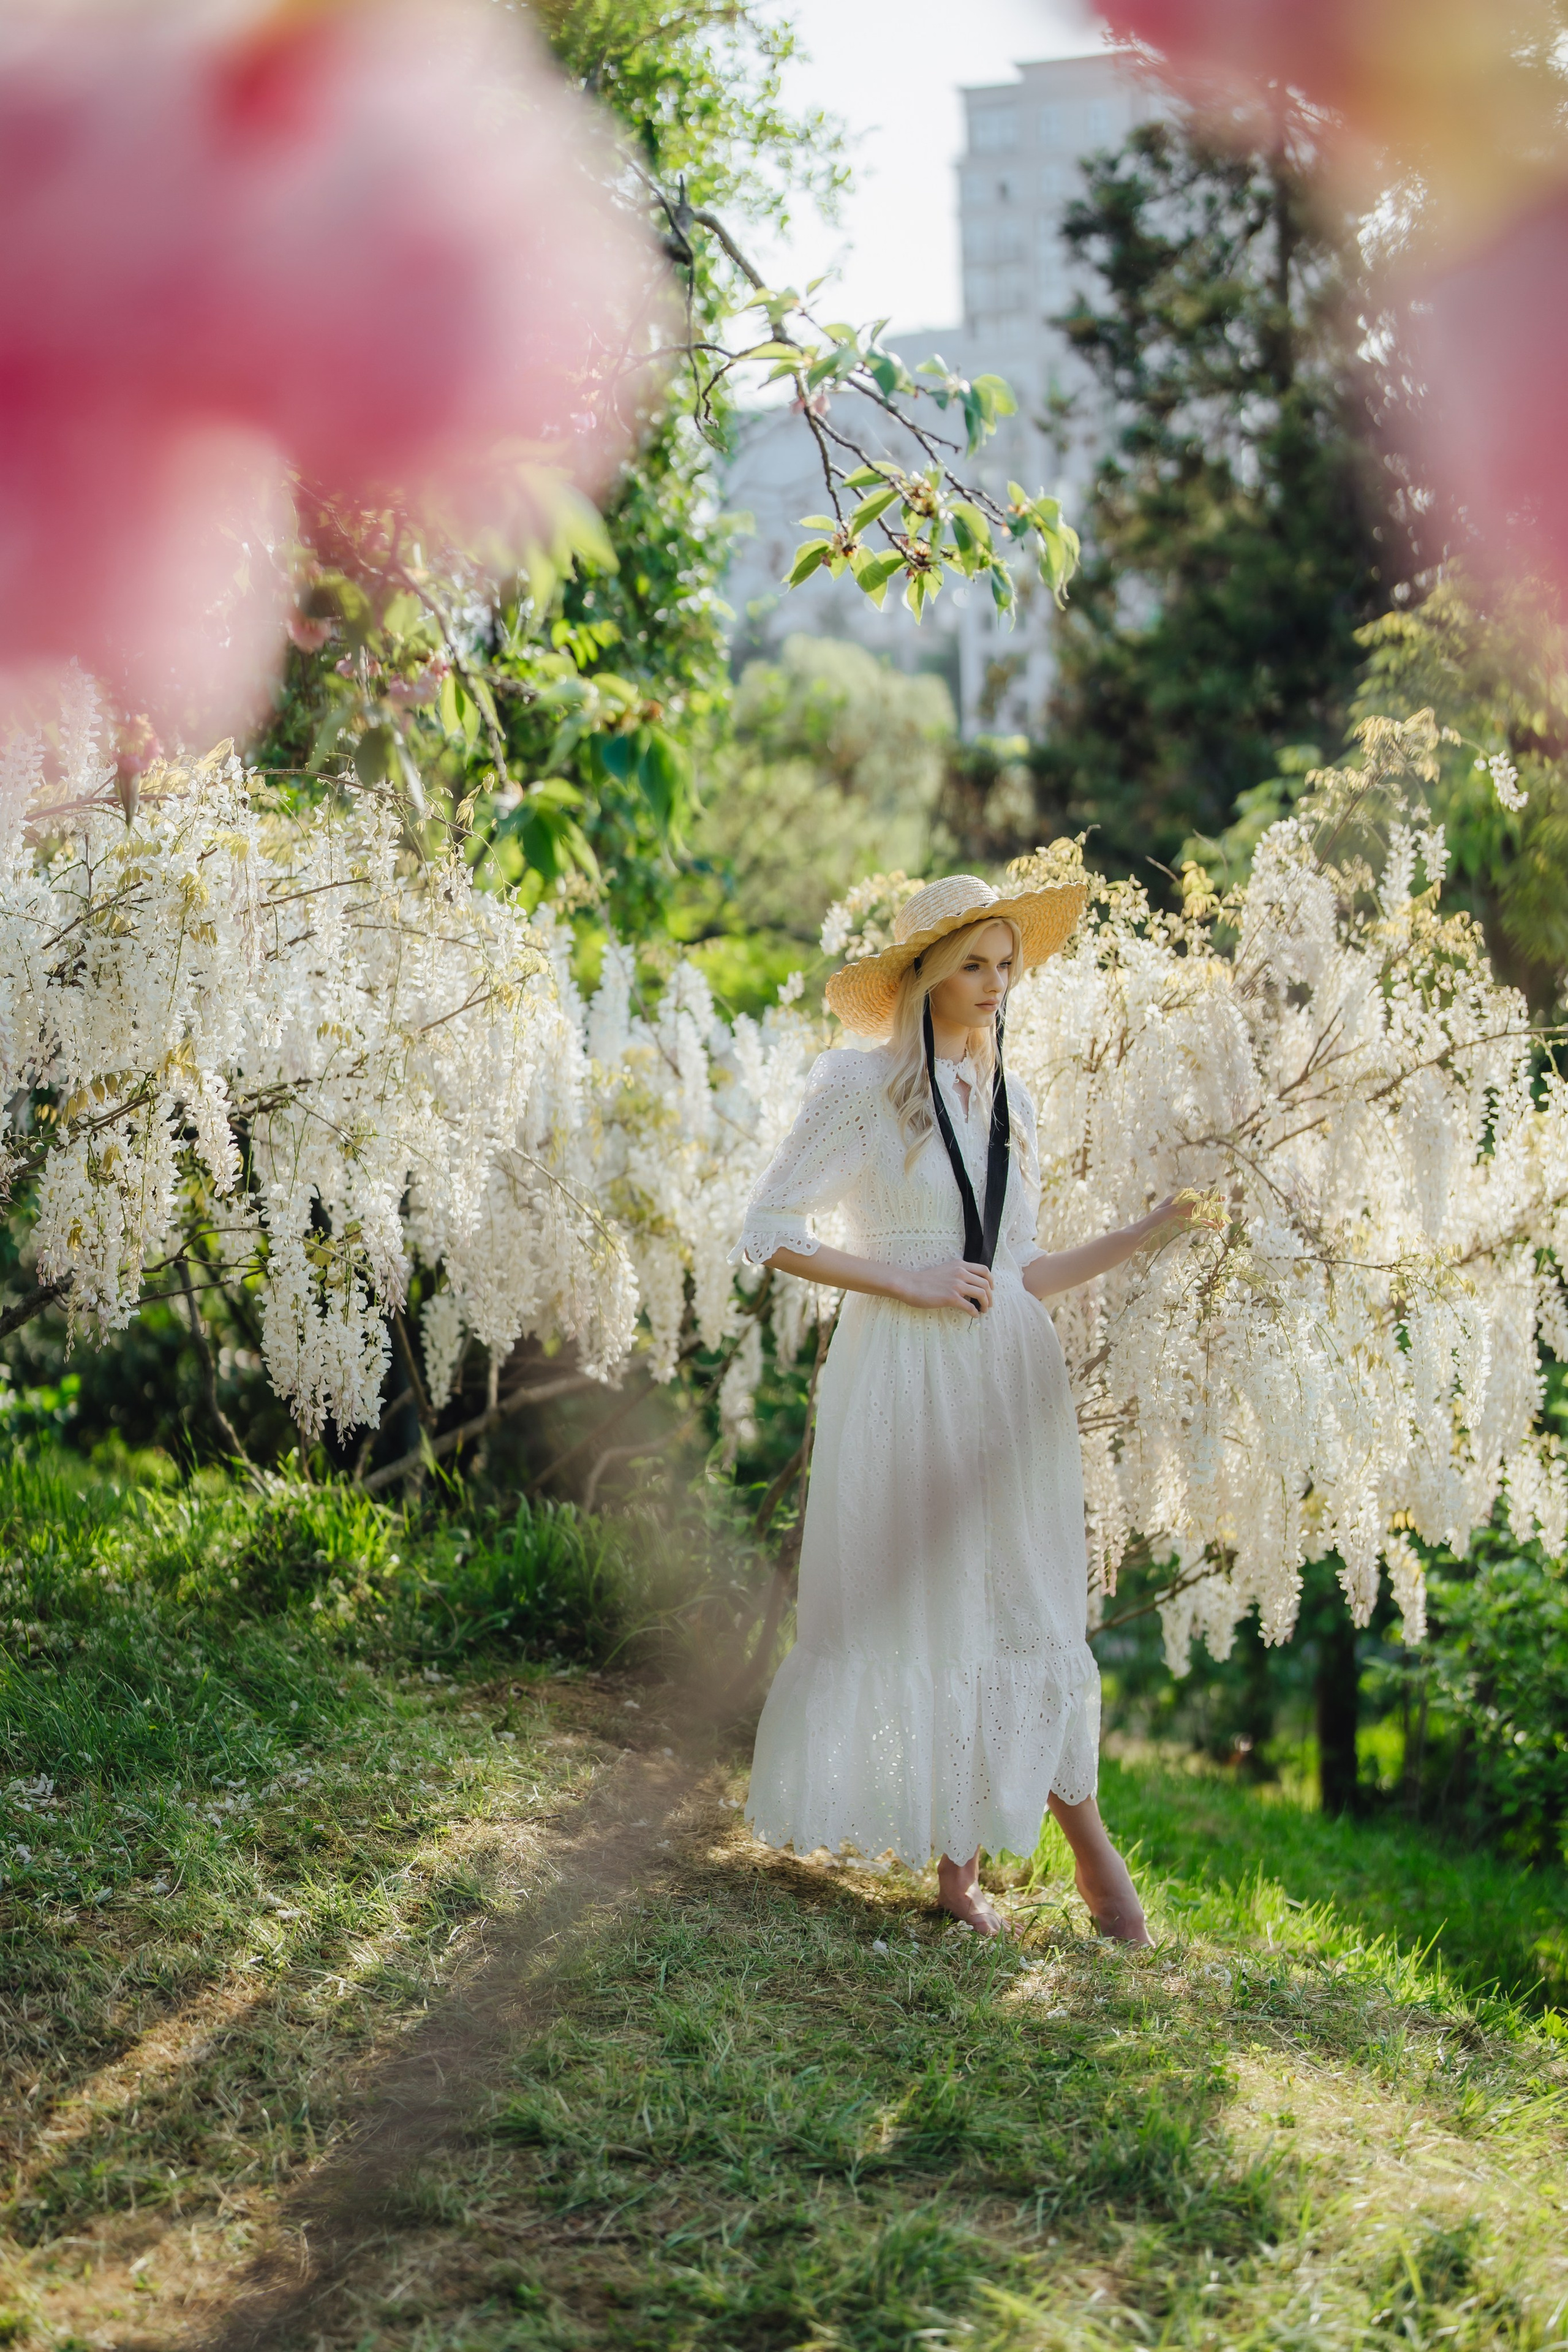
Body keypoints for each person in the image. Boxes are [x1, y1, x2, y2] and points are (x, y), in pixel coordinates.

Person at [734, 872, 1194, 1941]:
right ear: (929, 974)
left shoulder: (1012, 1101)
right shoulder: (864, 1086)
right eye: (974, 964)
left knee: (1020, 1605)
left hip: (1006, 1376)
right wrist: (908, 1278)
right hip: (904, 1368)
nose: (994, 985)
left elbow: (1016, 1270)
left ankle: (986, 1868)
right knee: (941, 1602)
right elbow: (768, 1228)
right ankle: (1050, 1868)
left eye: (1005, 964)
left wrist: (1146, 1232)